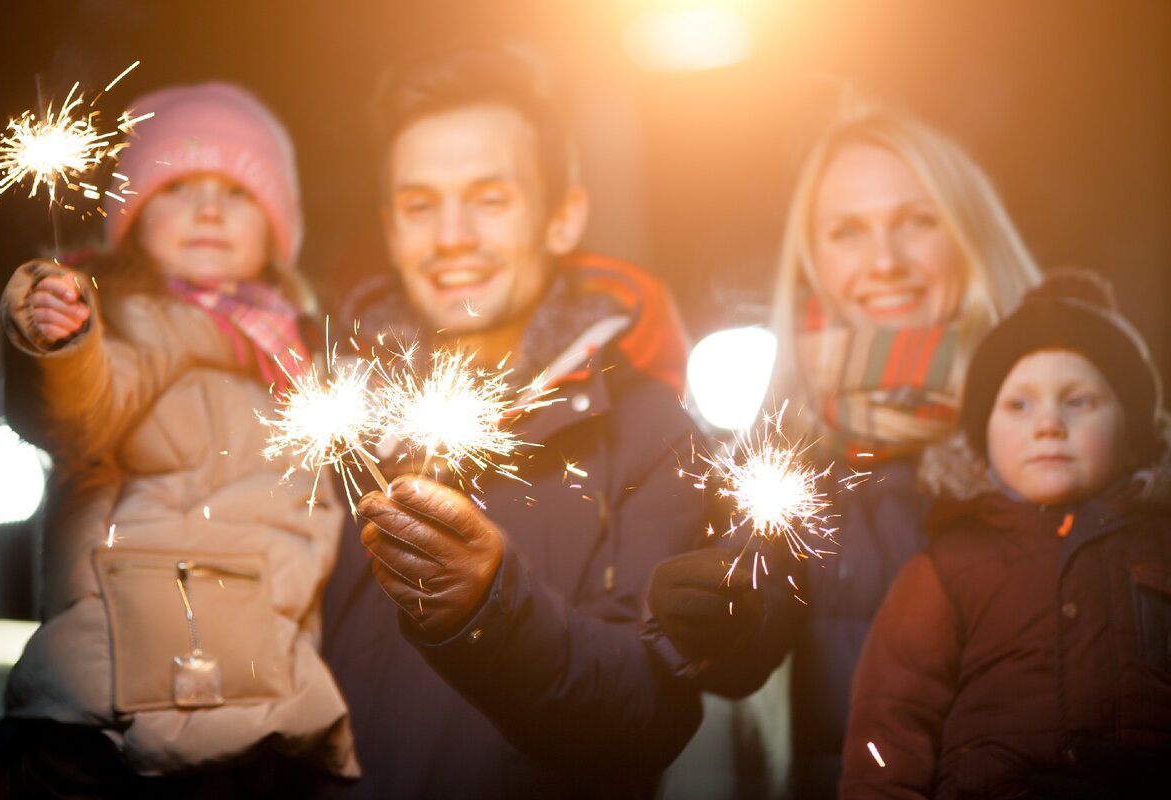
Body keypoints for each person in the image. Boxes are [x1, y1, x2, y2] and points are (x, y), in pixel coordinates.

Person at [319, 46, 707, 798]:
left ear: (563, 217)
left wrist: (490, 608)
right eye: (420, 204)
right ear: (391, 231)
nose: (452, 235)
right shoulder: (333, 425)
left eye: (490, 198)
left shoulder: (649, 433)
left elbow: (651, 712)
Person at [644, 102, 1042, 798]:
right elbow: (755, 641)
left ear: (968, 230)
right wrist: (720, 629)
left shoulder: (1077, 417)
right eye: (847, 232)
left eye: (918, 221)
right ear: (813, 260)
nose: (884, 262)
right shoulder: (785, 449)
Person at [0, 83, 357, 798]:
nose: (210, 210)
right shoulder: (124, 323)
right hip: (113, 698)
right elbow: (73, 411)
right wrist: (61, 345)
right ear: (137, 215)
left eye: (238, 193)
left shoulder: (301, 358)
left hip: (264, 700)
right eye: (179, 186)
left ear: (279, 229)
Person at [840, 268, 1171, 799]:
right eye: (1019, 404)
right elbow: (893, 718)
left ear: (1131, 434)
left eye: (1079, 400)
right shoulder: (945, 567)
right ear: (983, 442)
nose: (1048, 424)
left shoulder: (1161, 545)